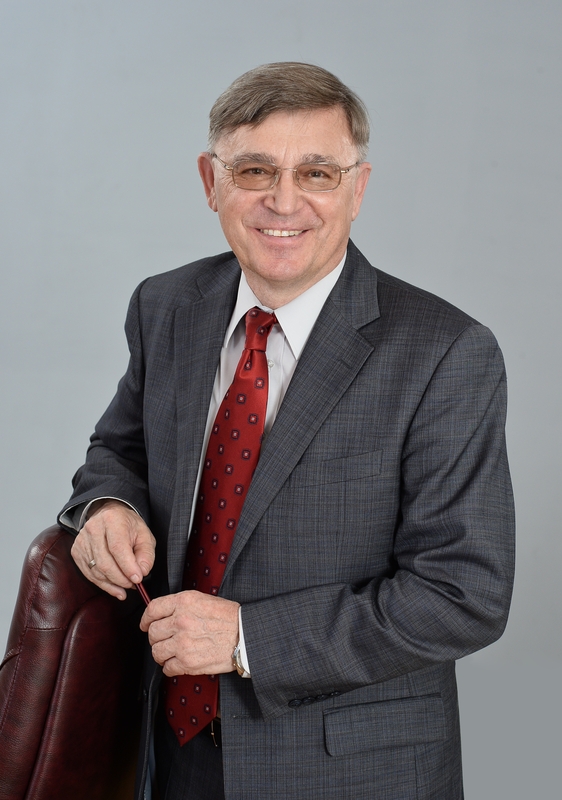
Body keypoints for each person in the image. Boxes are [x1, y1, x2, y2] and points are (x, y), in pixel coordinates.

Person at [59, 62, 515, 800]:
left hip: (346, 772)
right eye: (254, 170)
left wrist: (247, 639)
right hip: (167, 753)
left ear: (358, 189)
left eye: (317, 173)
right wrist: (108, 506)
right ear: (210, 181)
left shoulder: (445, 352)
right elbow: (121, 449)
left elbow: (464, 594)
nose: (283, 199)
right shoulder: (165, 305)